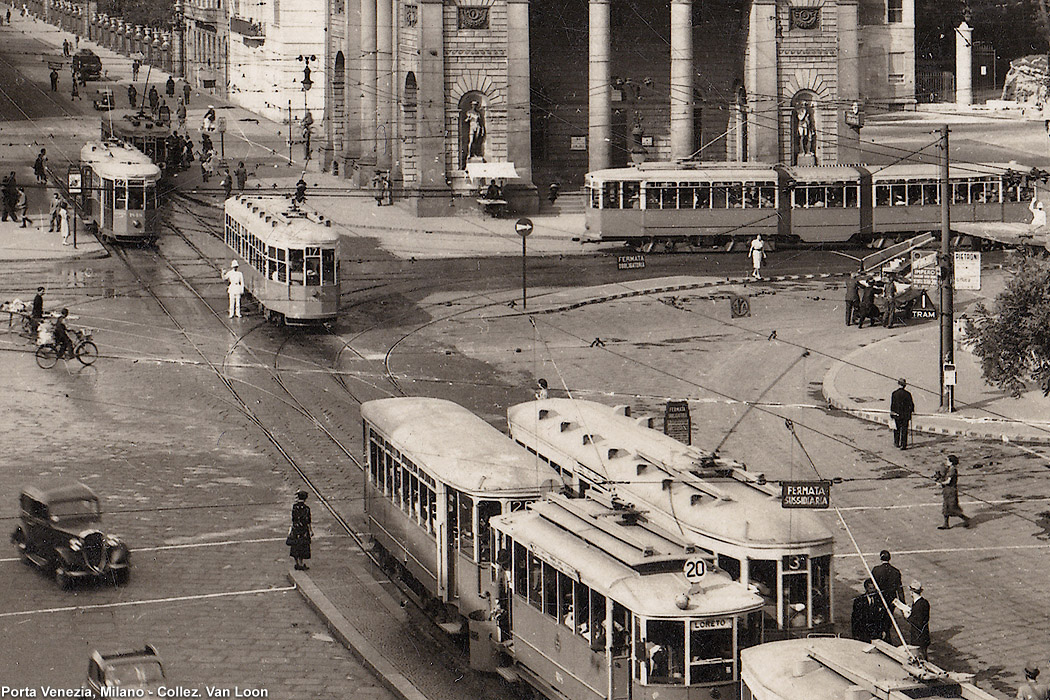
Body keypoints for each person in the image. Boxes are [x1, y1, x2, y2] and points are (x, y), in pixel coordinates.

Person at [871, 549, 903, 642]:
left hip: (879, 600)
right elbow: (899, 589)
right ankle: (886, 634)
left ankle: (882, 636)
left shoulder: (876, 570)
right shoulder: (895, 572)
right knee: (888, 620)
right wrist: (902, 603)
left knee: (878, 619)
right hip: (891, 600)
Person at [893, 580, 930, 660]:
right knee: (924, 654)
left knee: (920, 657)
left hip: (918, 637)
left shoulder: (918, 605)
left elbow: (917, 622)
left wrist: (908, 617)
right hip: (924, 635)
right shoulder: (924, 602)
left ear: (912, 592)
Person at [936, 455, 972, 529]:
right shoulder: (950, 469)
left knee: (952, 508)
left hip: (951, 491)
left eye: (948, 460)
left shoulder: (953, 470)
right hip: (947, 491)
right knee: (946, 507)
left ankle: (965, 519)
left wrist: (941, 483)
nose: (946, 462)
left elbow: (948, 481)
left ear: (951, 462)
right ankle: (946, 524)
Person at [850, 579, 883, 643]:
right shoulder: (859, 601)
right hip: (863, 632)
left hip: (876, 633)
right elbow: (855, 618)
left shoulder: (880, 600)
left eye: (874, 588)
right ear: (866, 588)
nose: (873, 591)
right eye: (870, 588)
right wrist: (855, 634)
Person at [288, 489, 312, 570]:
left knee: (295, 546)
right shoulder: (307, 508)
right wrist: (311, 530)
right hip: (304, 530)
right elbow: (308, 521)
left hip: (296, 529)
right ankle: (301, 563)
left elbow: (293, 519)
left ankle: (297, 563)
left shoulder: (295, 507)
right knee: (303, 546)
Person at [890, 377, 914, 449]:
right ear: (905, 385)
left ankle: (897, 442)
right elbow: (911, 405)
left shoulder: (894, 393)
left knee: (897, 429)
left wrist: (892, 414)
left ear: (898, 384)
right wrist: (911, 411)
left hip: (897, 414)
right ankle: (903, 444)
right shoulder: (908, 394)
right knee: (904, 430)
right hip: (905, 415)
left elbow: (893, 405)